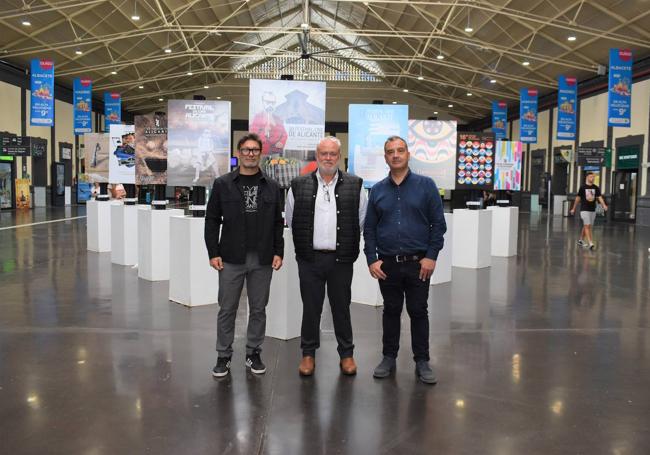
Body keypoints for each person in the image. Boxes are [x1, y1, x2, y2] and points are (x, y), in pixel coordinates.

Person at [364, 136, 446, 385]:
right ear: (386, 157)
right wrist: (371, 259)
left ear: (408, 154)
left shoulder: (426, 185)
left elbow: (438, 225)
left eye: (400, 150)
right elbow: (369, 229)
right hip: (387, 264)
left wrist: (431, 256)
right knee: (390, 311)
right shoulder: (377, 190)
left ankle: (422, 360)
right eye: (390, 152)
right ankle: (389, 357)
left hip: (418, 264)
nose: (395, 155)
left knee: (418, 311)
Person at [285, 136, 367, 377]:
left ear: (339, 156)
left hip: (341, 259)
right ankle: (308, 354)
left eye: (333, 154)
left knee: (341, 307)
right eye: (324, 154)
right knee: (311, 308)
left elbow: (362, 220)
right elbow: (291, 219)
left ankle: (347, 354)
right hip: (309, 259)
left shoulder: (356, 184)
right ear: (317, 156)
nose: (328, 158)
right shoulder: (298, 184)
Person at [204, 132, 284, 378]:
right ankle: (223, 355)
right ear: (238, 153)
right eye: (246, 150)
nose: (250, 154)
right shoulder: (223, 184)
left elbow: (277, 223)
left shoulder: (272, 186)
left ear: (260, 154)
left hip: (262, 258)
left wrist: (279, 251)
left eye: (255, 150)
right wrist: (213, 252)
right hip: (230, 257)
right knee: (227, 308)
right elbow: (212, 219)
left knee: (258, 309)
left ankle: (253, 352)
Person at [570, 171, 608, 250]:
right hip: (584, 209)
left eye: (593, 177)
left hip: (592, 210)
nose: (593, 178)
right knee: (587, 225)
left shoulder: (596, 187)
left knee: (587, 225)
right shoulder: (582, 187)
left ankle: (581, 240)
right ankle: (590, 243)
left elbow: (599, 197)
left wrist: (604, 205)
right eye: (591, 177)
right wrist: (573, 208)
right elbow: (577, 198)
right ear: (587, 177)